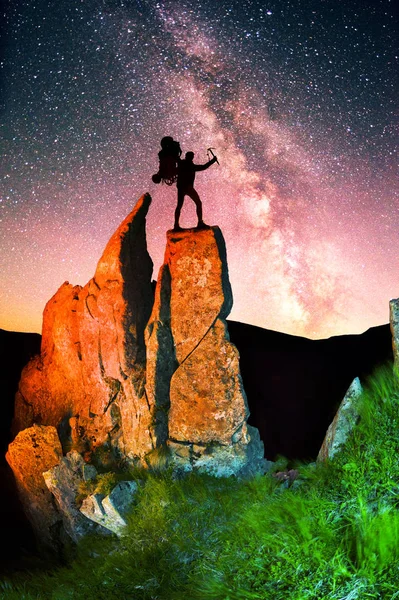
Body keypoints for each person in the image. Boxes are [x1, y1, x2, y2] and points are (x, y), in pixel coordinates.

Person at [174, 151, 217, 231]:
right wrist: (213, 161)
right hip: (188, 188)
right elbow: (204, 167)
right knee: (198, 203)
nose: (192, 158)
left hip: (181, 188)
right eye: (192, 156)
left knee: (179, 206)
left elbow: (176, 158)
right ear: (191, 157)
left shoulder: (181, 163)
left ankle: (176, 224)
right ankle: (200, 222)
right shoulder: (191, 165)